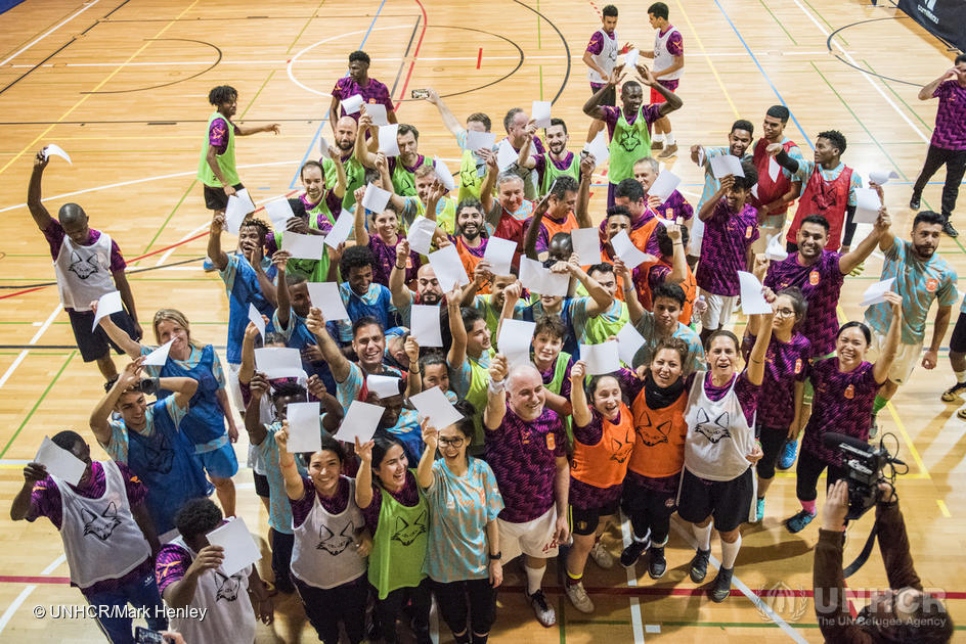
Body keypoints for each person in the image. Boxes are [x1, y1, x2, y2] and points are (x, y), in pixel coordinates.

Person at [10, 431, 167, 644]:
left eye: (84, 460)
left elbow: (141, 511)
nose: (82, 469)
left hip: (139, 567)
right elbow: (18, 514)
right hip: (98, 585)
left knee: (160, 624)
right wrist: (28, 485)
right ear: (57, 466)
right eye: (72, 466)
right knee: (121, 639)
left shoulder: (116, 471)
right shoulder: (51, 489)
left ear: (88, 448)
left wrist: (156, 551)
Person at [762, 209, 891, 468]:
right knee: (779, 394)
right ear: (797, 235)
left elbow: (854, 258)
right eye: (806, 235)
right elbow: (767, 306)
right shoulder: (780, 268)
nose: (810, 241)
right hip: (785, 347)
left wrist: (877, 233)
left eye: (817, 237)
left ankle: (792, 440)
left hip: (820, 349)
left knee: (807, 401)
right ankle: (769, 432)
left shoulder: (831, 265)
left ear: (827, 239)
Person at [97, 307, 240, 517]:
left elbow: (220, 392)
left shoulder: (208, 353)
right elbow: (128, 343)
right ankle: (202, 525)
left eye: (177, 329)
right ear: (159, 339)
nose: (173, 337)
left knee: (223, 482)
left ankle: (230, 518)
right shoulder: (157, 361)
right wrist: (106, 323)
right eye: (165, 334)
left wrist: (232, 422)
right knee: (194, 490)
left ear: (186, 330)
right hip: (180, 440)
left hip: (212, 431)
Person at [785, 293, 903, 534]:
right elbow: (794, 376)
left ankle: (837, 532)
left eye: (856, 343)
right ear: (836, 342)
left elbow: (889, 355)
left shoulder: (870, 376)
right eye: (844, 340)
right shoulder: (823, 368)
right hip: (815, 442)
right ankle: (808, 510)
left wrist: (897, 316)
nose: (849, 347)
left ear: (867, 348)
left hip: (849, 451)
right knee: (803, 488)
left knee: (838, 500)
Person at [678, 309, 773, 602]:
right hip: (695, 472)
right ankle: (703, 552)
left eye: (729, 351)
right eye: (716, 350)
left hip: (732, 476)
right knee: (700, 520)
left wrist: (767, 320)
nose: (723, 356)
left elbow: (758, 358)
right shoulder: (693, 381)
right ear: (706, 356)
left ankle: (727, 570)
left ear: (738, 358)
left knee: (729, 532)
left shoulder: (744, 388)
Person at [26, 148, 142, 381]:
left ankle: (145, 387)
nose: (77, 235)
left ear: (87, 219)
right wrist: (37, 171)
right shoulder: (58, 239)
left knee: (135, 352)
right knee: (101, 357)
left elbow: (121, 281)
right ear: (64, 229)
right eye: (72, 232)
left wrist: (134, 317)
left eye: (81, 229)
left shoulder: (107, 243)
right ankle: (115, 391)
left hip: (109, 304)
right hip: (79, 311)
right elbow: (34, 205)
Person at [484, 357, 569, 627]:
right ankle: (487, 600)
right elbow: (492, 410)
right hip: (502, 518)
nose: (534, 398)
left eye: (538, 389)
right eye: (524, 393)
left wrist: (562, 514)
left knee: (538, 557)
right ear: (509, 397)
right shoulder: (500, 422)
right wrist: (496, 384)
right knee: (494, 565)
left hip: (543, 513)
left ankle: (534, 591)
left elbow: (562, 466)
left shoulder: (553, 420)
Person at [814, 479, 954, 643]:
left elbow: (831, 611)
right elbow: (900, 565)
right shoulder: (912, 617)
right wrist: (889, 506)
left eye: (892, 602)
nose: (891, 592)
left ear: (893, 631)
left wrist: (831, 528)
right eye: (899, 593)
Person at [90, 359, 211, 536]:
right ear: (116, 408)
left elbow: (190, 386)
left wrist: (152, 382)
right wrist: (120, 384)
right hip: (159, 519)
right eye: (128, 406)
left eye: (140, 401)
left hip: (193, 500)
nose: (138, 410)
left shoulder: (163, 412)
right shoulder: (118, 437)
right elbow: (95, 423)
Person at [863, 210, 957, 435]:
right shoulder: (897, 248)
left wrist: (934, 350)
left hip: (909, 340)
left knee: (892, 381)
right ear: (912, 233)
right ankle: (852, 408)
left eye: (935, 235)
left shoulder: (946, 273)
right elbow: (884, 233)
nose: (929, 240)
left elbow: (944, 313)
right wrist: (882, 215)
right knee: (862, 373)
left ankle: (871, 413)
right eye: (924, 233)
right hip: (875, 328)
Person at [417, 407, 504, 644]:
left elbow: (491, 518)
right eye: (444, 440)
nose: (449, 447)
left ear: (468, 440)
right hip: (444, 565)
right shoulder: (436, 470)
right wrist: (430, 446)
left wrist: (495, 560)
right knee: (454, 616)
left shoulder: (482, 470)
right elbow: (423, 481)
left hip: (479, 561)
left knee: (484, 616)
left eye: (455, 440)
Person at [277, 429, 371, 644]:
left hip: (352, 577)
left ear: (341, 464)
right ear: (308, 468)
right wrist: (285, 451)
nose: (325, 472)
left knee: (356, 626)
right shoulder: (303, 494)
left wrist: (365, 533)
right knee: (326, 631)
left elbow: (365, 513)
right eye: (317, 465)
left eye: (332, 464)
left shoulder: (353, 486)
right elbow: (290, 477)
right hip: (312, 580)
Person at [563, 362, 636, 613]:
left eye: (614, 392)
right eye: (603, 394)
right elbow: (579, 410)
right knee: (580, 544)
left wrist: (619, 360)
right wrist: (576, 383)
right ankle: (573, 583)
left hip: (613, 488)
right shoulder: (591, 424)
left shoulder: (625, 411)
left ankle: (595, 544)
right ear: (593, 399)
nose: (611, 399)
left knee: (602, 526)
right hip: (585, 493)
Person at [155, 499, 274, 644]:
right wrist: (193, 572)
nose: (218, 544)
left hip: (242, 633)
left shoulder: (227, 529)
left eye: (219, 534)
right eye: (208, 542)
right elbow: (176, 602)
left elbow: (249, 566)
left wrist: (264, 598)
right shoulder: (170, 556)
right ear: (189, 542)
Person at [620, 339, 690, 579]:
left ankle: (658, 550)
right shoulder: (637, 387)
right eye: (660, 362)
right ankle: (640, 541)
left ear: (682, 370)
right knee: (637, 514)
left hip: (668, 477)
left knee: (661, 519)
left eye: (672, 364)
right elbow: (608, 369)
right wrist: (612, 346)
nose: (665, 368)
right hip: (634, 472)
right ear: (651, 364)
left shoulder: (690, 396)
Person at [356, 435, 433, 644]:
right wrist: (365, 460)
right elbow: (361, 497)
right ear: (376, 469)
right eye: (391, 462)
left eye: (402, 458)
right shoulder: (375, 496)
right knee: (387, 619)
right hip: (387, 574)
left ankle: (422, 631)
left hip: (421, 570)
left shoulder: (417, 478)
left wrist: (432, 444)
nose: (401, 466)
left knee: (422, 610)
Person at [742, 288, 811, 520]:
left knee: (766, 464)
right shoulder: (762, 335)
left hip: (779, 415)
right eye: (775, 310)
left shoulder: (802, 346)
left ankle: (759, 498)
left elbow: (800, 383)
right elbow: (753, 324)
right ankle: (739, 496)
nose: (778, 315)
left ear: (797, 318)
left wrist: (796, 420)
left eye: (785, 311)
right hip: (750, 411)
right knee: (742, 456)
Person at [583, 63, 683, 206]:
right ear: (622, 97)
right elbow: (587, 109)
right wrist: (608, 86)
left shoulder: (647, 113)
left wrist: (655, 85)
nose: (637, 101)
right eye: (633, 97)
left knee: (643, 223)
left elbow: (677, 103)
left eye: (640, 97)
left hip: (642, 182)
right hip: (618, 180)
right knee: (616, 222)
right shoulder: (613, 114)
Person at [207, 213, 278, 409]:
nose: (246, 240)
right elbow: (215, 256)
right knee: (245, 409)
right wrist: (214, 234)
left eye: (253, 236)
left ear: (264, 243)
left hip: (270, 350)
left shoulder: (276, 268)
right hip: (238, 350)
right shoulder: (234, 266)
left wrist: (257, 268)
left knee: (275, 408)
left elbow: (276, 300)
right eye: (243, 236)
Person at [694, 162, 760, 344]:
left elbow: (749, 250)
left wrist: (747, 282)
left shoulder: (752, 215)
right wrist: (720, 192)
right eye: (728, 189)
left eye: (736, 190)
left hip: (733, 281)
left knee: (721, 326)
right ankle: (700, 363)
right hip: (712, 280)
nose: (730, 194)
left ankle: (709, 361)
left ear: (747, 192)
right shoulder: (717, 208)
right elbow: (701, 215)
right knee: (709, 330)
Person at [198, 85, 280, 216]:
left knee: (219, 214)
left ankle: (214, 238)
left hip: (210, 179)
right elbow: (210, 156)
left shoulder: (219, 117)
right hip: (222, 179)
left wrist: (263, 128)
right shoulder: (219, 125)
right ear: (219, 103)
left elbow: (237, 130)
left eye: (235, 101)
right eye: (229, 102)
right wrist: (225, 184)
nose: (234, 105)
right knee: (248, 210)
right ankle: (245, 237)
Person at [777, 130, 863, 253]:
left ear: (835, 151)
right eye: (816, 146)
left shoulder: (852, 178)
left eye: (821, 147)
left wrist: (846, 245)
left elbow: (853, 214)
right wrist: (779, 152)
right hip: (799, 237)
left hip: (828, 243)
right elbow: (788, 162)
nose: (815, 150)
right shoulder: (808, 168)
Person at [910, 54, 966, 238]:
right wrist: (942, 77)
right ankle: (917, 192)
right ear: (956, 70)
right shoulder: (946, 87)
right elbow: (922, 95)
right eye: (963, 70)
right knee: (927, 172)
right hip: (940, 143)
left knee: (952, 186)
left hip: (961, 148)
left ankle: (945, 219)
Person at [688, 120, 754, 264]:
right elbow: (700, 156)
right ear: (729, 137)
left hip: (728, 221)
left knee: (718, 261)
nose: (739, 143)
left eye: (744, 140)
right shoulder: (716, 153)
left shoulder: (750, 161)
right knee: (692, 256)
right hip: (705, 214)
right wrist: (695, 152)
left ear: (750, 141)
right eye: (735, 139)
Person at [750, 106, 804, 252]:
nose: (768, 127)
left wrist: (767, 208)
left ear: (784, 126)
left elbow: (795, 191)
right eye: (766, 122)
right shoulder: (758, 145)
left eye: (774, 125)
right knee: (748, 255)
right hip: (752, 211)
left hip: (773, 217)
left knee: (764, 260)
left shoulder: (793, 152)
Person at [424, 88, 492, 202]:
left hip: (484, 211)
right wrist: (438, 102)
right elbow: (454, 125)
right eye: (470, 132)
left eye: (477, 134)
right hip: (464, 210)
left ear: (488, 134)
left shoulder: (496, 156)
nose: (472, 137)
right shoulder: (467, 143)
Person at [641, 2, 684, 159]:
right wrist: (638, 52)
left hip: (666, 81)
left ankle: (671, 144)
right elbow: (657, 54)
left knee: (660, 113)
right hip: (657, 79)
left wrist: (657, 74)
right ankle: (658, 140)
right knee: (654, 110)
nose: (650, 21)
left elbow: (679, 63)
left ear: (660, 18)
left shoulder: (674, 36)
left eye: (651, 18)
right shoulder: (660, 33)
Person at [581, 4, 629, 144]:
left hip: (610, 82)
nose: (612, 25)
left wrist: (622, 52)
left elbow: (609, 53)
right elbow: (586, 57)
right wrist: (601, 71)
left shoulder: (615, 34)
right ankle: (587, 147)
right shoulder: (598, 36)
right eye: (609, 22)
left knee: (609, 116)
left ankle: (605, 144)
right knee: (600, 117)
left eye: (614, 22)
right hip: (599, 83)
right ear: (603, 20)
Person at [329, 50, 396, 131]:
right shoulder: (342, 84)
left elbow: (390, 114)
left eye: (355, 68)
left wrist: (397, 135)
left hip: (372, 140)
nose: (351, 72)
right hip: (349, 140)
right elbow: (332, 109)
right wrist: (336, 131)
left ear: (366, 67)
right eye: (349, 68)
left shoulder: (380, 89)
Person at [518, 118, 581, 195]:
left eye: (559, 135)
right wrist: (528, 140)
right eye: (550, 136)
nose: (555, 140)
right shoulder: (542, 160)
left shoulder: (579, 162)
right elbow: (522, 162)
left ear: (567, 137)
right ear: (546, 139)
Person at [323, 116, 368, 212]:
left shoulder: (362, 158)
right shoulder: (324, 162)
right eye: (341, 132)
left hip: (355, 217)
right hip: (331, 219)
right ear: (335, 133)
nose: (345, 137)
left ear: (356, 135)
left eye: (349, 133)